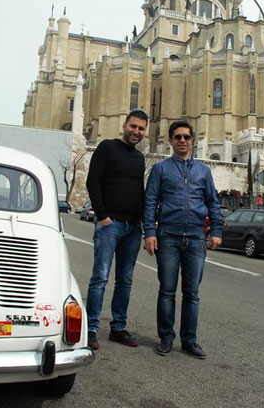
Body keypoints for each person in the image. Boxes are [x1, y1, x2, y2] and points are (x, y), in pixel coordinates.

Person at [143, 121, 222, 359]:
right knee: (167, 291)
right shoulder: (160, 169)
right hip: (168, 236)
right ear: (170, 141)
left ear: (192, 141)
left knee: (192, 293)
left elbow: (213, 202)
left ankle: (189, 340)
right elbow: (150, 202)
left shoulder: (204, 171)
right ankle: (166, 337)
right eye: (177, 137)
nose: (182, 140)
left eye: (186, 137)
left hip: (197, 237)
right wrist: (149, 232)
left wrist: (216, 230)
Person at [84, 108, 149, 350]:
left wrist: (143, 222)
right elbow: (93, 181)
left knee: (125, 280)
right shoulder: (106, 148)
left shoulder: (139, 158)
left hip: (133, 227)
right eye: (133, 126)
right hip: (110, 225)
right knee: (100, 277)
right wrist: (102, 216)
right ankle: (91, 328)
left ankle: (118, 327)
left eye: (141, 129)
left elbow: (138, 190)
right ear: (125, 125)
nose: (136, 132)